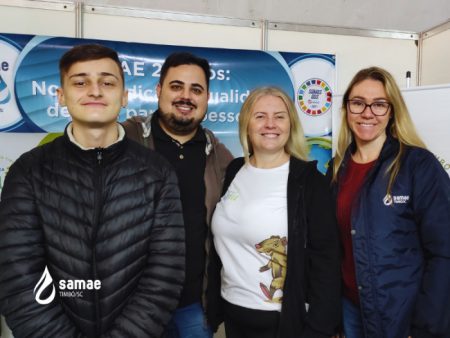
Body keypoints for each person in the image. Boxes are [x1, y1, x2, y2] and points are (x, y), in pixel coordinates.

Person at [0, 44, 185, 338]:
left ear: (124, 97)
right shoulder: (28, 172)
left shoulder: (157, 173)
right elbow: (18, 278)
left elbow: (165, 274)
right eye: (81, 82)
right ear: (61, 96)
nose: (95, 91)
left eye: (107, 82)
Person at [207, 86, 341, 338]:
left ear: (291, 125)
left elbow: (326, 262)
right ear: (246, 124)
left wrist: (318, 329)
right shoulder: (235, 170)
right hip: (232, 315)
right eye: (260, 116)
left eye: (279, 116)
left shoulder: (309, 181)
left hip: (282, 323)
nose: (271, 124)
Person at [327, 66, 450, 338]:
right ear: (347, 109)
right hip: (350, 312)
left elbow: (444, 251)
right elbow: (335, 250)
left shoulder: (418, 166)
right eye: (358, 103)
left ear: (392, 111)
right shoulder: (337, 170)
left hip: (402, 317)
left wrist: (424, 326)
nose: (367, 112)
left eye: (379, 104)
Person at [122, 51, 233, 338]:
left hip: (194, 308)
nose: (186, 96)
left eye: (196, 89)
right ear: (159, 90)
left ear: (207, 98)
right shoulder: (124, 140)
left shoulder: (220, 156)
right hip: (131, 306)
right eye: (176, 86)